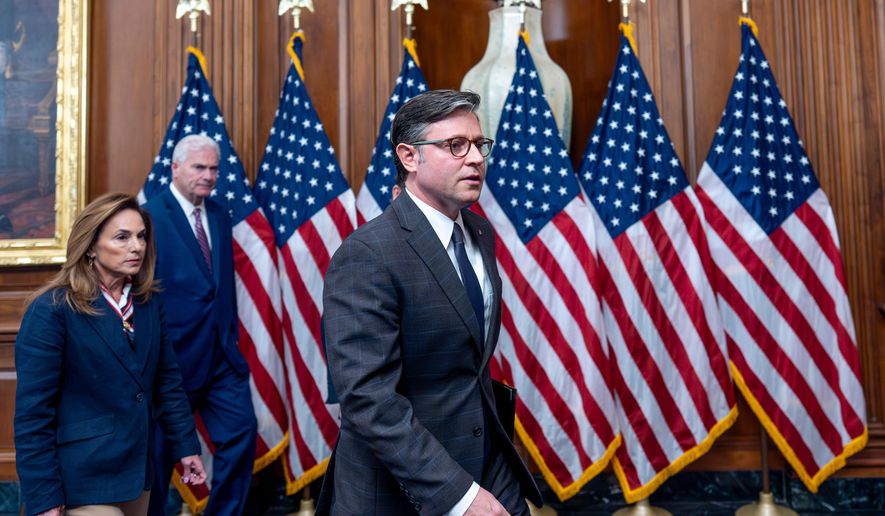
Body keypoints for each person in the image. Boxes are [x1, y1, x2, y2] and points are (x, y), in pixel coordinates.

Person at [318, 90, 542, 515]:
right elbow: (368, 399)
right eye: (455, 145)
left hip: (489, 461)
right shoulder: (368, 253)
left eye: (479, 144)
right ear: (409, 157)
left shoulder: (480, 233)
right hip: (403, 486)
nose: (475, 158)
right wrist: (460, 495)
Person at [14, 193, 206, 516]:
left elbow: (168, 383)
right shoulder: (53, 309)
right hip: (80, 479)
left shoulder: (148, 304)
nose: (137, 246)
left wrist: (186, 447)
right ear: (91, 246)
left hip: (137, 475)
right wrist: (43, 497)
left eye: (141, 236)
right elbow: (33, 414)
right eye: (122, 237)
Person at [144, 134, 257, 515]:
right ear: (175, 168)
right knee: (159, 458)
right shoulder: (149, 218)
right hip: (172, 362)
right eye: (199, 167)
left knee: (241, 433)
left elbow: (217, 288)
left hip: (221, 358)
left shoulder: (220, 214)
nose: (208, 176)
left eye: (213, 169)